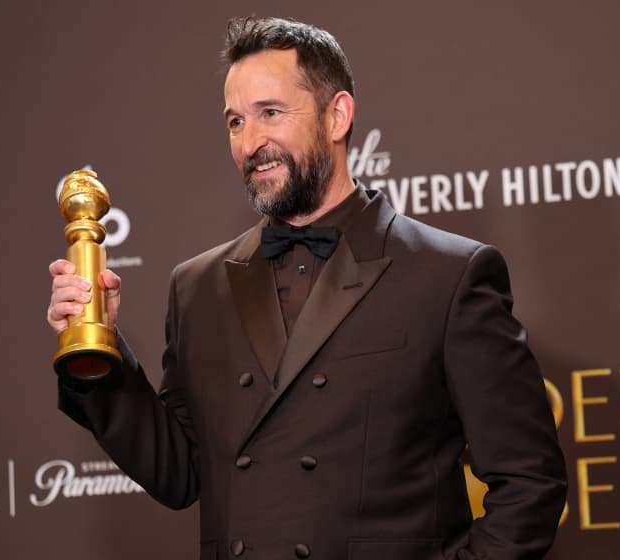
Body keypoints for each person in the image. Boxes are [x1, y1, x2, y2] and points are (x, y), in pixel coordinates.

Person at [48, 16, 567, 560]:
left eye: (270, 113)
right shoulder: (198, 287)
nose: (251, 143)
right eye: (234, 122)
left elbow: (529, 483)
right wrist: (98, 350)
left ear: (337, 115)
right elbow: (179, 474)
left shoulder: (449, 275)